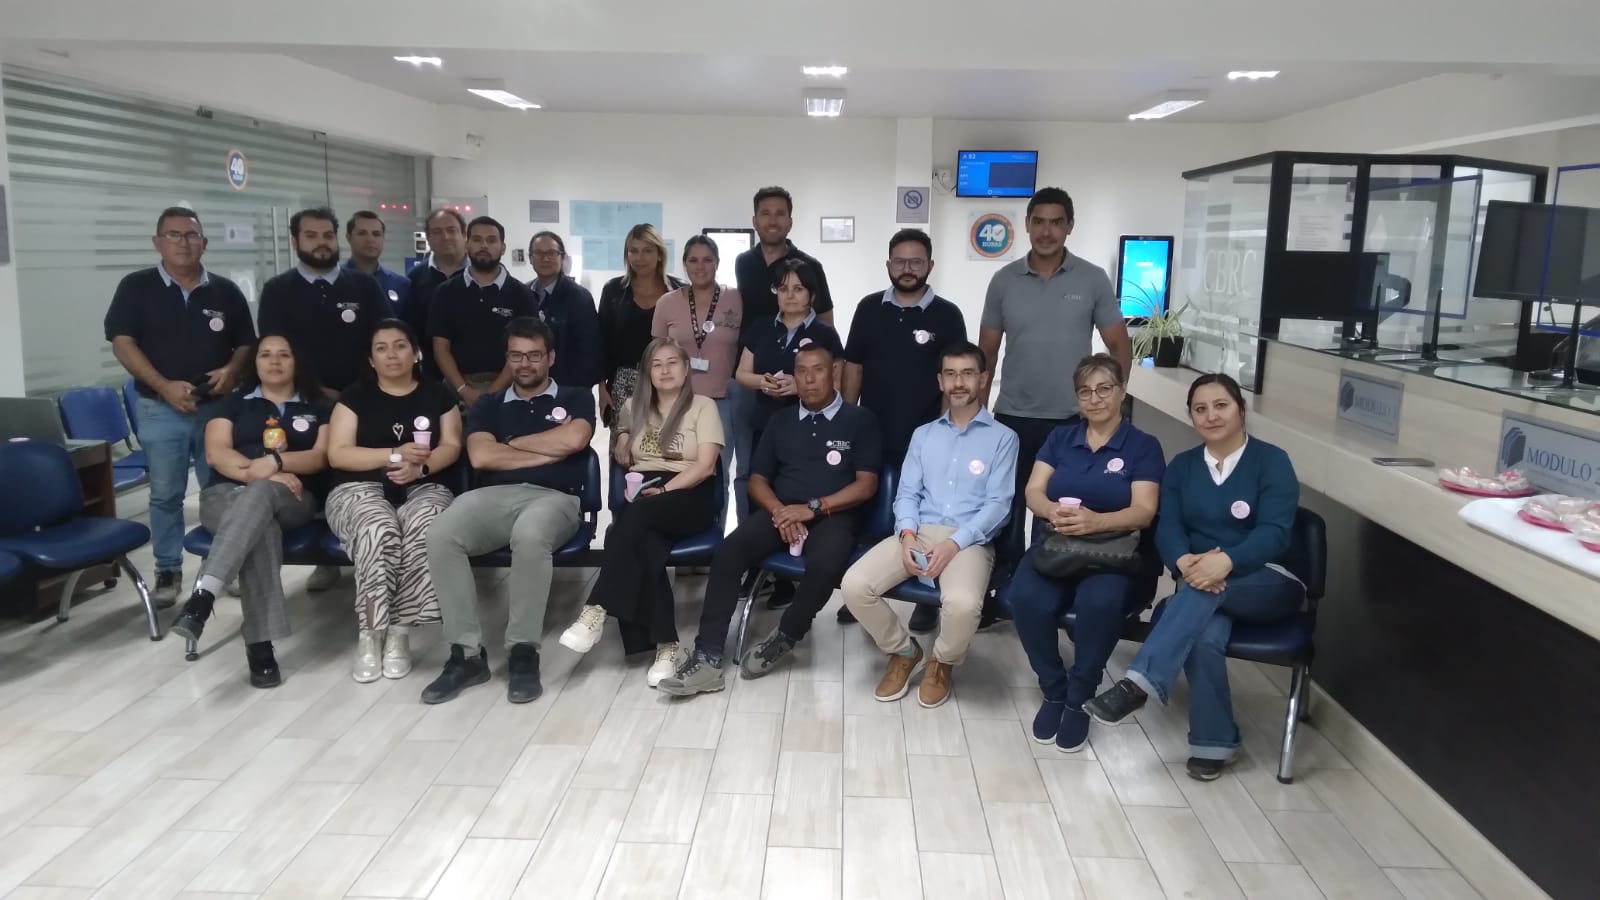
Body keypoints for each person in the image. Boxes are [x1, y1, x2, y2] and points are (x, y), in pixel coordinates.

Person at [1085, 373, 1305, 782]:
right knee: (1202, 633)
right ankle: (1213, 743)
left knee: (1194, 599)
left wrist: (1227, 561)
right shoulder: (1184, 467)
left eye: (1221, 405)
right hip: (1204, 584)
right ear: (1191, 417)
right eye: (1200, 409)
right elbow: (1169, 525)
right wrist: (1184, 561)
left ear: (1241, 409)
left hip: (1268, 580)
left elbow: (1275, 533)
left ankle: (1137, 686)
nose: (1211, 416)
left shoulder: (1272, 461)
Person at [657, 343, 881, 697]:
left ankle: (786, 635)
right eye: (802, 371)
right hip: (781, 511)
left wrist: (813, 508)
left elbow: (866, 485)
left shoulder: (860, 420)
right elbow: (757, 480)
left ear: (834, 373)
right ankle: (707, 656)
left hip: (833, 515)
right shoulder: (781, 420)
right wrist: (779, 511)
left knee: (826, 562)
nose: (809, 379)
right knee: (729, 552)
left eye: (818, 370)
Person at [421, 317, 595, 706]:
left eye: (534, 355)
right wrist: (547, 449)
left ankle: (523, 652)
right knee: (441, 534)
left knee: (530, 535)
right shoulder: (488, 404)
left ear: (551, 357)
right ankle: (466, 655)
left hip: (557, 497)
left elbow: (574, 438)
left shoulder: (575, 396)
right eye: (516, 356)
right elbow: (481, 456)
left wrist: (510, 443)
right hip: (493, 497)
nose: (525, 364)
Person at [839, 341, 1017, 709]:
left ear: (983, 379)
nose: (958, 383)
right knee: (854, 585)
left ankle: (942, 662)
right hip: (917, 531)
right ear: (940, 381)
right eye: (950, 374)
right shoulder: (924, 435)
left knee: (963, 604)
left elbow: (998, 506)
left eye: (967, 374)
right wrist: (906, 535)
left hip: (969, 540)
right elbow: (907, 494)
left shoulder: (1003, 438)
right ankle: (903, 651)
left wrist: (954, 545)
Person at [1006, 354, 1165, 752]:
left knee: (1100, 603)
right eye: (1085, 392)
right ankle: (1053, 689)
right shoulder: (1061, 438)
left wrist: (1096, 522)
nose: (1095, 399)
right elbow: (1033, 491)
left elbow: (1144, 511)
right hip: (1058, 544)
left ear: (1122, 391)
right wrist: (1050, 510)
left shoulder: (1143, 446)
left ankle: (1079, 696)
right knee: (1024, 597)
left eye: (1104, 389)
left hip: (1113, 553)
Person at [104, 206, 255, 606]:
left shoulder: (225, 291)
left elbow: (246, 342)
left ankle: (222, 567)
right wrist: (164, 386)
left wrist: (232, 369)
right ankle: (168, 571)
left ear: (204, 242)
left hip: (216, 411)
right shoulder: (136, 287)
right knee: (165, 495)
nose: (183, 243)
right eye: (173, 235)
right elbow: (122, 342)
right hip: (160, 408)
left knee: (221, 491)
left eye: (191, 235)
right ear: (157, 242)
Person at [167, 333, 330, 688]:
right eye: (266, 355)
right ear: (254, 363)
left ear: (297, 362)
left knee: (261, 498)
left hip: (293, 497)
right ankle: (260, 646)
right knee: (261, 526)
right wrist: (258, 474)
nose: (274, 361)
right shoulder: (231, 403)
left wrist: (276, 464)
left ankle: (204, 595)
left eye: (284, 355)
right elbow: (217, 453)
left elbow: (320, 457)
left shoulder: (319, 405)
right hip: (224, 494)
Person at [558, 338, 724, 686]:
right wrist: (621, 437)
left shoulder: (703, 406)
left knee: (628, 523)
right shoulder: (634, 405)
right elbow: (622, 430)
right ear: (647, 372)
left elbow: (707, 466)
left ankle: (596, 608)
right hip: (646, 488)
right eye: (656, 364)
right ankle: (667, 646)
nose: (664, 370)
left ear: (686, 368)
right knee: (646, 546)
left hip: (690, 491)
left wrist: (664, 491)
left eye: (672, 363)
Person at [978, 187, 1132, 551]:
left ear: (1069, 226)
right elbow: (986, 354)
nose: (1046, 232)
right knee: (1006, 504)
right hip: (1013, 416)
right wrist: (979, 416)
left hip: (1072, 419)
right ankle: (1005, 575)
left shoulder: (1092, 279)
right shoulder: (1003, 280)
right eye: (1039, 222)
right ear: (1027, 225)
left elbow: (1119, 345)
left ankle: (1045, 573)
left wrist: (1112, 403)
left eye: (1056, 223)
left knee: (1060, 507)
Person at [842, 228, 967, 632]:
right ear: (888, 264)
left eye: (916, 261)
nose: (907, 268)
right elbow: (854, 367)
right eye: (900, 261)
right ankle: (863, 591)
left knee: (925, 517)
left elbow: (953, 375)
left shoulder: (947, 314)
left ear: (930, 265)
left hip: (926, 433)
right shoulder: (868, 308)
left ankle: (926, 595)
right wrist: (847, 418)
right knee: (870, 512)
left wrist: (948, 429)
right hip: (873, 430)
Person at [326, 319, 463, 683]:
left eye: (400, 346)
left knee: (426, 525)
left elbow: (451, 445)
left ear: (415, 353)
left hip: (425, 485)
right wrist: (394, 455)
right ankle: (371, 632)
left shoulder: (439, 395)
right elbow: (338, 454)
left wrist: (421, 469)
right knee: (378, 528)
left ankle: (399, 633)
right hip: (360, 488)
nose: (391, 355)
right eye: (381, 348)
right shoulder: (354, 397)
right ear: (371, 359)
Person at [734, 258, 844, 611]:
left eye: (798, 289)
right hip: (764, 423)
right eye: (783, 289)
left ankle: (792, 573)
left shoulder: (825, 334)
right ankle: (761, 570)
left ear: (812, 294)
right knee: (759, 492)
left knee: (795, 490)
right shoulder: (761, 327)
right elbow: (742, 374)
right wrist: (763, 382)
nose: (790, 295)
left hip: (806, 427)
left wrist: (800, 386)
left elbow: (836, 381)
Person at [256, 206, 393, 398]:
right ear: (295, 242)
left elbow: (387, 337)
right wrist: (314, 390)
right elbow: (274, 350)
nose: (322, 242)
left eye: (328, 236)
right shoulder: (276, 290)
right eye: (311, 236)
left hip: (364, 396)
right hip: (300, 398)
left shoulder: (365, 284)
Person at [651, 235, 743, 512]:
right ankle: (681, 527)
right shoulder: (667, 303)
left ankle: (715, 532)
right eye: (693, 260)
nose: (700, 266)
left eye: (707, 260)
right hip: (677, 402)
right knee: (677, 468)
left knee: (717, 472)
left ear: (717, 263)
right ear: (684, 264)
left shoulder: (736, 298)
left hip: (722, 401)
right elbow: (655, 355)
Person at [429, 215, 535, 406]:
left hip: (508, 389)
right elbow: (440, 348)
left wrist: (491, 393)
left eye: (491, 240)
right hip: (456, 389)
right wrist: (463, 390)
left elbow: (525, 350)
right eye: (477, 239)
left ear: (503, 247)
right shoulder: (445, 292)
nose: (484, 245)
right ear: (467, 244)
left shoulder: (522, 294)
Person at [598, 224, 684, 427]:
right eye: (633, 251)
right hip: (623, 382)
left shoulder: (679, 290)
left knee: (666, 441)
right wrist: (602, 388)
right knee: (624, 442)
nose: (640, 258)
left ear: (660, 254)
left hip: (668, 380)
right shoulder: (613, 290)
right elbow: (601, 341)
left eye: (647, 251)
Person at [733, 186, 834, 326]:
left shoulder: (810, 266)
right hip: (749, 341)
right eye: (765, 213)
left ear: (789, 223)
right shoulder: (743, 262)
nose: (772, 221)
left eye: (780, 214)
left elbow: (826, 324)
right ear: (755, 222)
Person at [527, 231, 603, 390]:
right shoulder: (523, 293)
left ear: (562, 258)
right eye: (539, 253)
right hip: (528, 386)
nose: (545, 258)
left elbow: (590, 350)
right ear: (530, 258)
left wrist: (576, 390)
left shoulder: (579, 297)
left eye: (551, 253)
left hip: (567, 389)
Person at [407, 208, 468, 377]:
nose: (445, 236)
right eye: (437, 232)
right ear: (428, 238)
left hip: (477, 375)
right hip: (430, 374)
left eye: (451, 230)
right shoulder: (415, 277)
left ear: (464, 234)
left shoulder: (483, 273)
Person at [344, 209, 413, 322]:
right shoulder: (335, 281)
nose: (370, 239)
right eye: (362, 233)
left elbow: (409, 328)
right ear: (348, 237)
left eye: (376, 234)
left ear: (383, 238)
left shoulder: (401, 284)